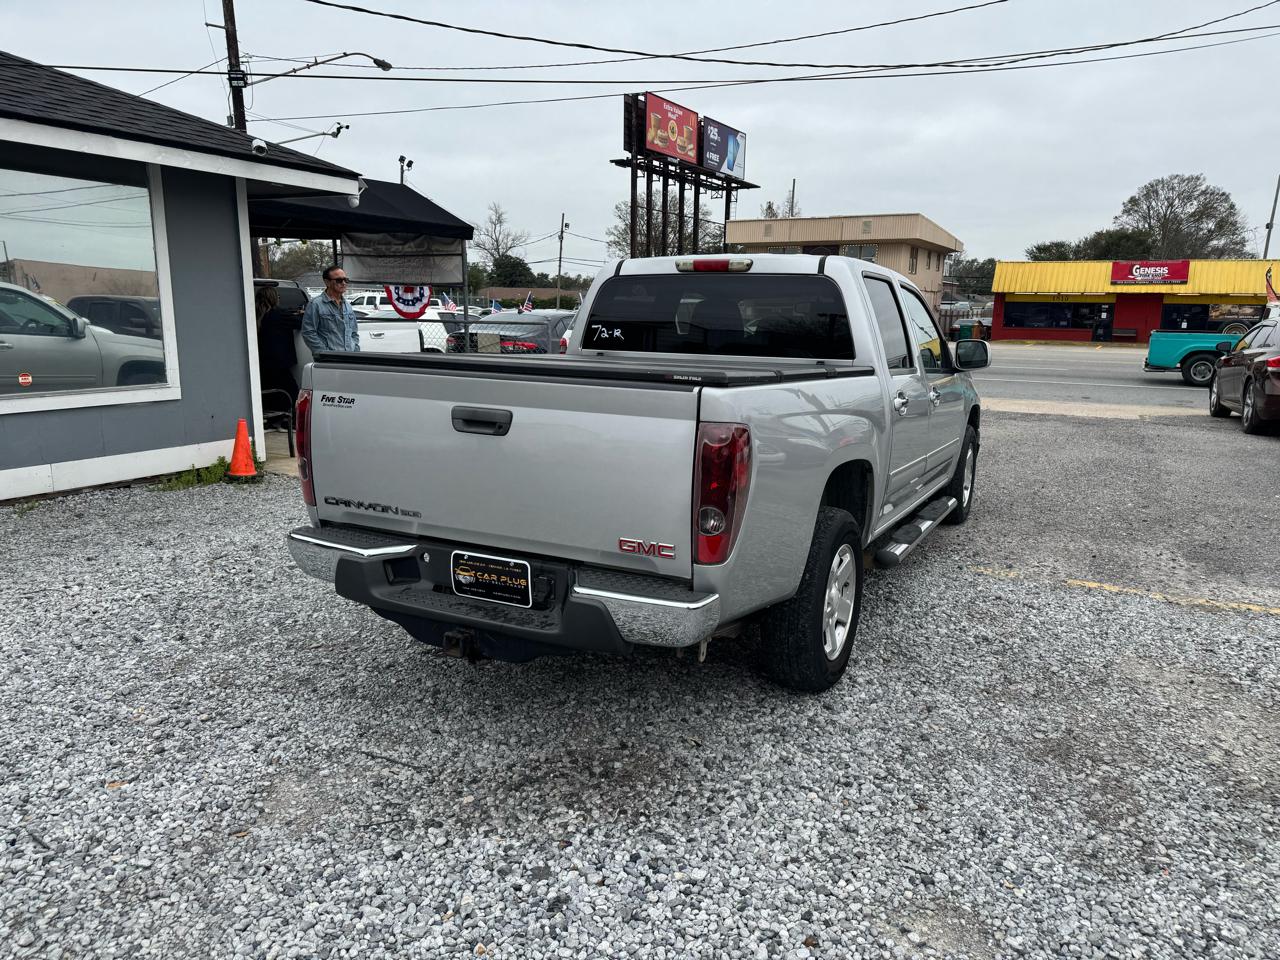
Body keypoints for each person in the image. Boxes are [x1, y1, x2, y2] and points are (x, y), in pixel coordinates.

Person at [301, 264, 359, 353]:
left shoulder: (348, 305)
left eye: (345, 280)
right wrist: (325, 353)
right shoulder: (315, 304)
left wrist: (355, 350)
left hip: (350, 358)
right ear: (327, 282)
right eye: (339, 280)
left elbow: (354, 333)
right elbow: (308, 333)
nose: (343, 283)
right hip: (329, 361)